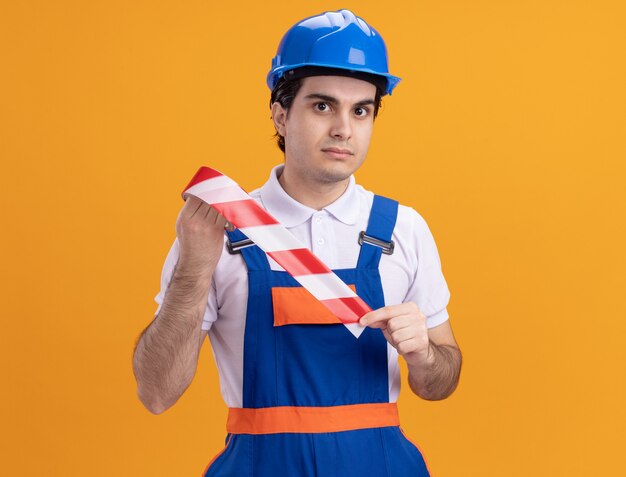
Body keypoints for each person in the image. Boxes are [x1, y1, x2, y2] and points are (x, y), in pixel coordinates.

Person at [133, 9, 462, 477]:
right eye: (322, 105)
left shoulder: (403, 230)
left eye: (361, 110)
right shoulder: (216, 227)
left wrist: (425, 355)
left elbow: (439, 385)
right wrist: (194, 268)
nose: (343, 129)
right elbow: (156, 393)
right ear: (281, 115)